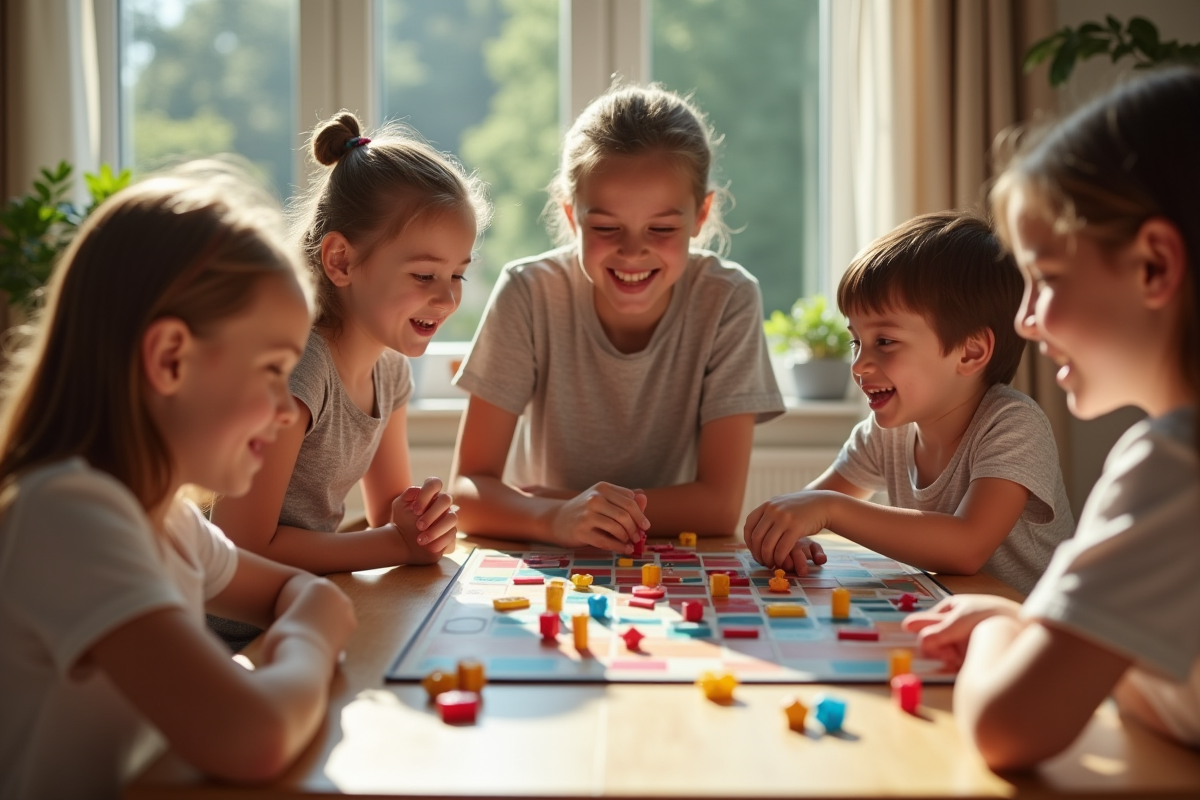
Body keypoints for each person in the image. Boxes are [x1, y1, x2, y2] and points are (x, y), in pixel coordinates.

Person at [0, 165, 356, 799]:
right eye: (273, 370)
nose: (284, 409)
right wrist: (310, 638)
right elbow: (255, 737)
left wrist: (308, 620)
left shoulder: (166, 520)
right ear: (169, 360)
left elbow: (303, 592)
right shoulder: (71, 515)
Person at [903, 68, 1200, 769]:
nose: (1025, 321)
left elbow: (1008, 730)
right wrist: (1025, 620)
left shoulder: (1175, 465)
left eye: (1047, 280)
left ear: (1154, 265)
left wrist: (992, 641)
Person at [449, 85, 784, 552]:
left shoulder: (728, 298)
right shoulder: (528, 291)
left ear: (701, 215)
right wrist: (556, 520)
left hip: (667, 558)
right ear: (571, 216)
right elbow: (466, 492)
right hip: (551, 556)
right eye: (606, 228)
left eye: (662, 229)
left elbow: (718, 508)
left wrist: (568, 506)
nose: (632, 251)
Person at [212, 112, 490, 581]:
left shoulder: (391, 369)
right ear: (341, 260)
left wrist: (419, 526)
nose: (447, 298)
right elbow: (242, 547)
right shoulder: (300, 370)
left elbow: (388, 515)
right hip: (229, 631)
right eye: (424, 275)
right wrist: (392, 543)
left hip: (297, 607)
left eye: (457, 275)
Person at [744, 211, 1073, 595]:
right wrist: (790, 532)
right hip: (948, 616)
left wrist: (829, 509)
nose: (860, 364)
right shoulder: (885, 435)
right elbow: (804, 507)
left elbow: (966, 547)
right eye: (856, 341)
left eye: (885, 341)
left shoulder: (1014, 424)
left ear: (970, 351)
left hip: (1032, 631)